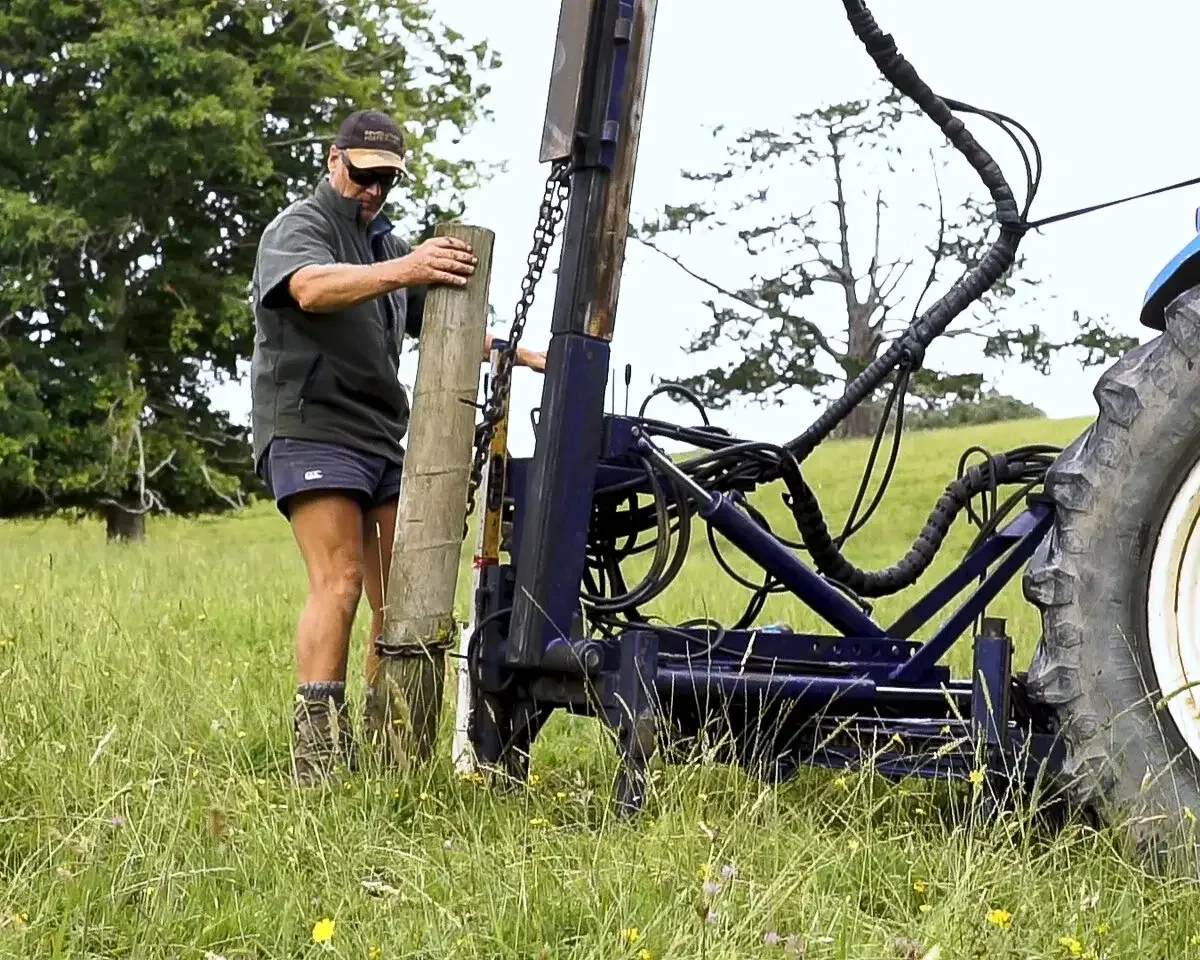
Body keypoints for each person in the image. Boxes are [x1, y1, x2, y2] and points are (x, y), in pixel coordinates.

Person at [249, 108, 546, 786]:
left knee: (402, 603)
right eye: (364, 176)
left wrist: (528, 355)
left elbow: (446, 327)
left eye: (387, 181)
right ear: (334, 161)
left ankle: (393, 753)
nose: (374, 192)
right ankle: (318, 754)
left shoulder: (384, 245)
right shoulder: (302, 227)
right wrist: (410, 267)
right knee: (341, 579)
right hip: (310, 427)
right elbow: (308, 287)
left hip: (382, 437)